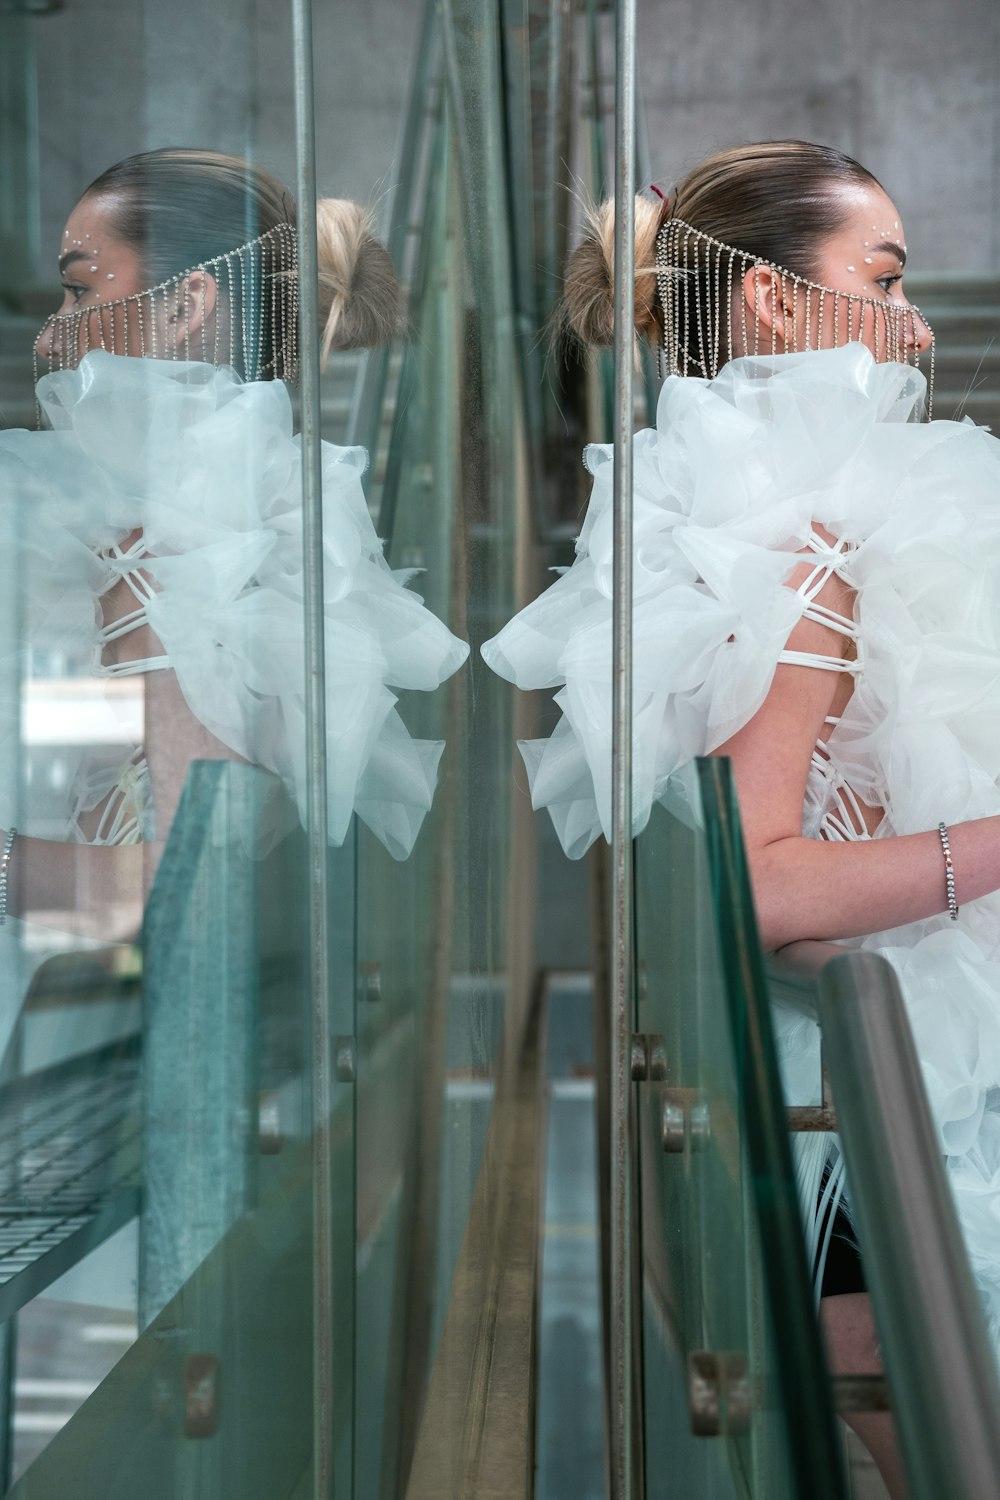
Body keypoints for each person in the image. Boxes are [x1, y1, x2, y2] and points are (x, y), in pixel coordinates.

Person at [482, 139, 1000, 1498]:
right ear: (776, 303)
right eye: (883, 277)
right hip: (859, 1136)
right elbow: (762, 880)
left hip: (817, 1110)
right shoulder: (803, 544)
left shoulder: (728, 521)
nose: (916, 322)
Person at [0, 148, 468, 947]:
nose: (48, 340)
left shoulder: (180, 550)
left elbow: (190, 883)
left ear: (187, 308)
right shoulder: (234, 518)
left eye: (80, 287)